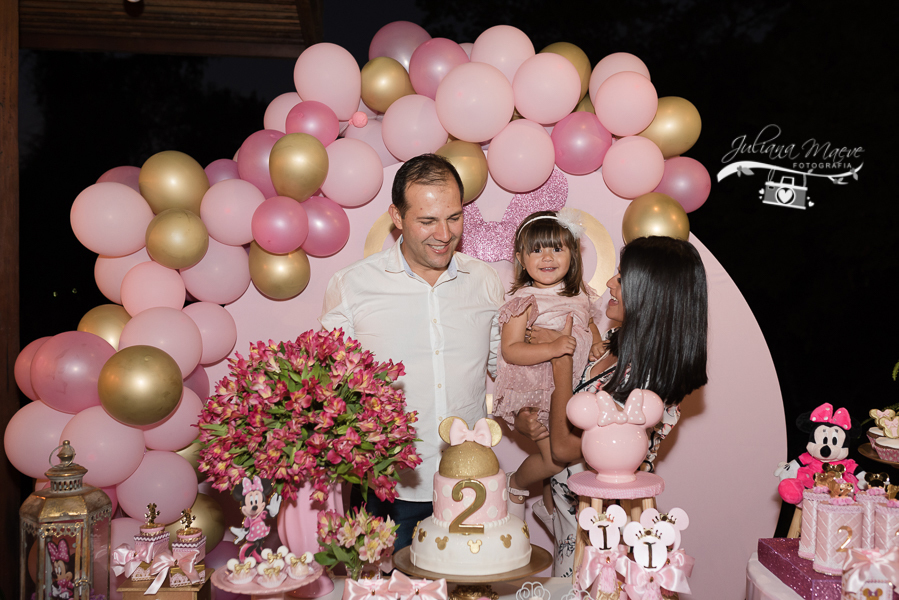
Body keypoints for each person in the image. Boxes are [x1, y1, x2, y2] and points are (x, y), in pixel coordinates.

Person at [319, 154, 505, 551]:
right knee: (384, 584)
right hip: (389, 488)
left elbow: (504, 369)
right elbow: (331, 391)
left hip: (473, 484)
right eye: (427, 221)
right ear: (397, 217)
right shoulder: (352, 286)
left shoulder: (484, 280)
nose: (444, 234)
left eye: (454, 217)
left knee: (471, 585)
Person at [521, 235, 708, 577]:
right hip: (571, 520)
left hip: (604, 534)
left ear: (650, 294)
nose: (610, 282)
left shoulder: (647, 382)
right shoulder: (611, 346)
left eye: (621, 278)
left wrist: (560, 359)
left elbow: (564, 448)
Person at [491, 209, 603, 519]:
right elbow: (511, 350)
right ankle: (515, 484)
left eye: (557, 248)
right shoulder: (524, 300)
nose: (547, 257)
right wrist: (552, 348)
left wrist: (595, 343)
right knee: (555, 460)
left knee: (575, 459)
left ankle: (550, 506)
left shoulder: (580, 295)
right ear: (521, 259)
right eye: (537, 250)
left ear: (572, 254)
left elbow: (588, 323)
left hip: (574, 389)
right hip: (536, 393)